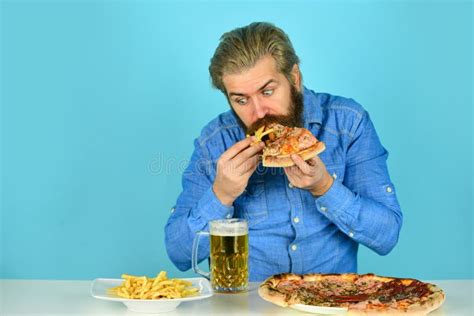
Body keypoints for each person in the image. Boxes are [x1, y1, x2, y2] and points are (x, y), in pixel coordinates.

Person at [165, 22, 402, 282]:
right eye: (241, 100)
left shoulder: (348, 123)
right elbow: (178, 255)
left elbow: (387, 235)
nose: (258, 112)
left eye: (267, 91)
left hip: (330, 301)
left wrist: (325, 187)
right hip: (246, 305)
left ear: (294, 77)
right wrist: (221, 194)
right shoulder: (215, 141)